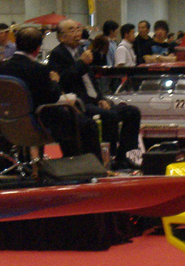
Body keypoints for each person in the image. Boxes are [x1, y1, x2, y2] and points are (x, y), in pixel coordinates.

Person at [48, 19, 141, 169]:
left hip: (93, 100)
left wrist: (101, 99)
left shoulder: (81, 51)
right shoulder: (57, 54)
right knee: (110, 116)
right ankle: (106, 158)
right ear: (61, 37)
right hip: (78, 103)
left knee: (132, 112)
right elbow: (62, 80)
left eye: (78, 29)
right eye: (71, 30)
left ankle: (124, 157)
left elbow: (91, 82)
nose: (77, 33)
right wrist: (81, 63)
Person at [0, 26, 100, 158]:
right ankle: (79, 162)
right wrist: (54, 81)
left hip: (8, 121)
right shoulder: (39, 69)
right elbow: (52, 98)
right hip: (38, 120)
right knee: (86, 124)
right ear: (38, 48)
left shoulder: (1, 69)